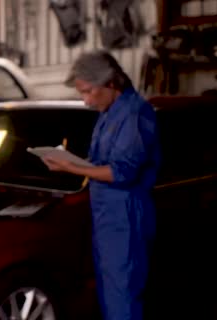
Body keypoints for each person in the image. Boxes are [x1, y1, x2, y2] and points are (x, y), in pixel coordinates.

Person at [42, 50, 160, 320]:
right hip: (107, 218)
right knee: (110, 292)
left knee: (124, 294)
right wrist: (71, 159)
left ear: (110, 83)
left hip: (126, 216)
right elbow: (101, 162)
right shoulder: (108, 113)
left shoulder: (134, 114)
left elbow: (123, 173)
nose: (85, 101)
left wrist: (70, 167)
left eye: (87, 92)